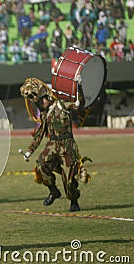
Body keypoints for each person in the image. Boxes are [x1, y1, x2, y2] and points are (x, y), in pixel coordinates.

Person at [19, 77, 91, 212]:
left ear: (45, 96)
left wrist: (79, 87)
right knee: (41, 165)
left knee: (68, 181)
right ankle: (53, 190)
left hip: (67, 145)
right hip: (52, 144)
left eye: (40, 101)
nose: (39, 104)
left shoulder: (62, 105)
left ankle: (74, 201)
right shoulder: (44, 114)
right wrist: (29, 151)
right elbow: (39, 134)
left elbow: (79, 105)